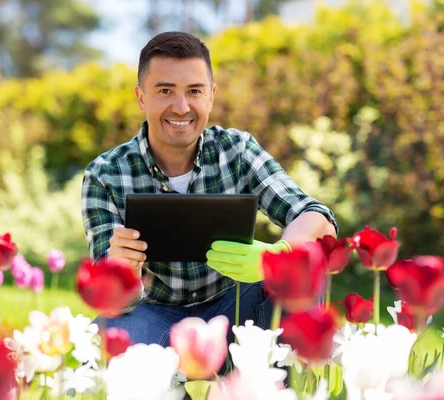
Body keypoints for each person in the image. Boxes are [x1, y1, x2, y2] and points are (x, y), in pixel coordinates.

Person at [81, 31, 337, 346]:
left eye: (194, 91)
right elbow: (109, 299)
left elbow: (317, 217)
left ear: (211, 96)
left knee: (302, 274)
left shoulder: (237, 150)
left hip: (234, 306)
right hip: (151, 313)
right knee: (102, 342)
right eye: (165, 90)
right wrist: (123, 273)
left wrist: (279, 254)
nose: (181, 106)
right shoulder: (104, 175)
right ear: (141, 97)